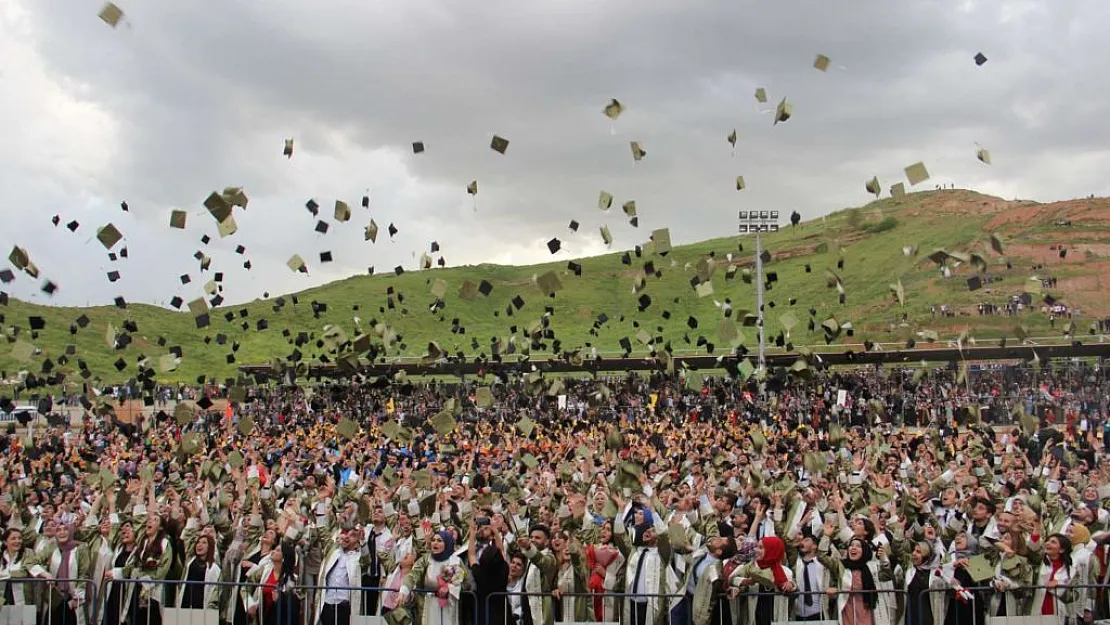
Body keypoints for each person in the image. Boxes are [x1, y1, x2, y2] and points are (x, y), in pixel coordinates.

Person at [400, 530, 468, 625]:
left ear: (447, 543)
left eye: (439, 540)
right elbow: (413, 575)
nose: (435, 543)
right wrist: (404, 588)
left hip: (450, 606)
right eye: (433, 540)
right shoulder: (425, 559)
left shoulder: (456, 561)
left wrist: (450, 589)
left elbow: (466, 583)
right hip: (428, 605)